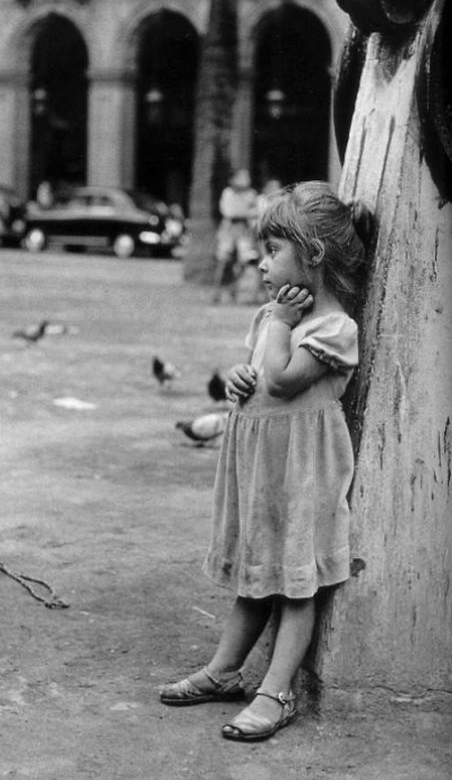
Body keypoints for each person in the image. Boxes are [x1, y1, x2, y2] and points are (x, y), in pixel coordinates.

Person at [160, 181, 372, 742]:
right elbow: (256, 376)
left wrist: (279, 326)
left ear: (314, 255)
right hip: (261, 470)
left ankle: (275, 692)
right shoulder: (269, 318)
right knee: (257, 576)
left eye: (274, 251)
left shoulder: (334, 329)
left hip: (302, 473)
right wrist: (237, 378)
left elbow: (282, 382)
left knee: (297, 583)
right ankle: (224, 670)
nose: (261, 263)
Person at [213, 169, 259, 304]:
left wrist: (245, 213)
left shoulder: (251, 194)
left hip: (244, 231)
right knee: (223, 261)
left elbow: (255, 212)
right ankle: (216, 293)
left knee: (243, 262)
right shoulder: (228, 193)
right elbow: (229, 212)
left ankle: (235, 290)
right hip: (229, 230)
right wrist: (245, 212)